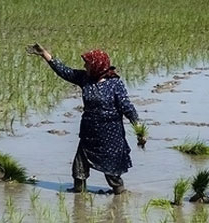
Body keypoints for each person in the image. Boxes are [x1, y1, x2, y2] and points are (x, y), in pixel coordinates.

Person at [28, 43, 139, 194]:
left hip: (110, 134)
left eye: (87, 63)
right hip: (89, 132)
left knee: (112, 171)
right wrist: (45, 54)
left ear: (97, 65)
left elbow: (127, 107)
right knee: (79, 166)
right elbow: (64, 71)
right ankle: (78, 195)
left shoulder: (115, 84)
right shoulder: (85, 79)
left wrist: (139, 129)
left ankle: (120, 194)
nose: (84, 66)